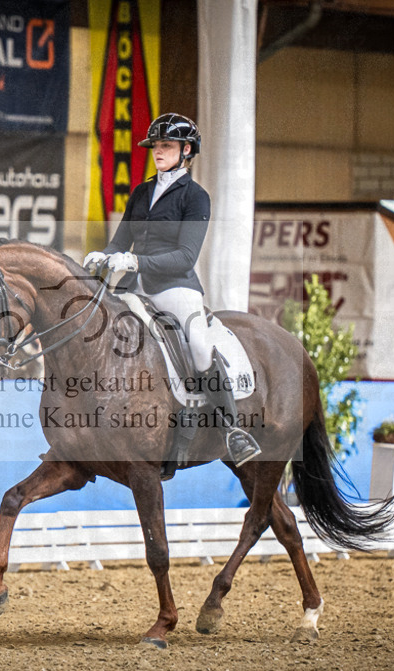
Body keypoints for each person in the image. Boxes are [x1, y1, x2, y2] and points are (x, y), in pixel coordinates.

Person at [82, 112, 261, 469]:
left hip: (176, 289)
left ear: (186, 150)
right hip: (135, 290)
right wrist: (100, 255)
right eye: (155, 146)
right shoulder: (141, 192)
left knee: (198, 345)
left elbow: (185, 256)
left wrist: (136, 263)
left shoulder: (196, 198)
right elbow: (121, 241)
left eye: (166, 146)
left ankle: (232, 430)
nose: (158, 152)